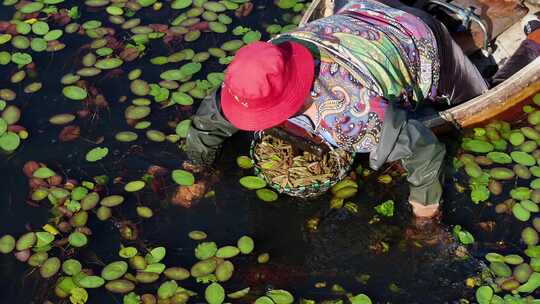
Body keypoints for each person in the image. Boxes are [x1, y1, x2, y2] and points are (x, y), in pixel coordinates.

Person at [184, 0, 537, 225]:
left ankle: (533, 41)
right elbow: (212, 118)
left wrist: (425, 214)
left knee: (480, 98)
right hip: (362, 11)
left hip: (419, 38)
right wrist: (196, 168)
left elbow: (425, 150)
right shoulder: (266, 64)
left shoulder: (353, 116)